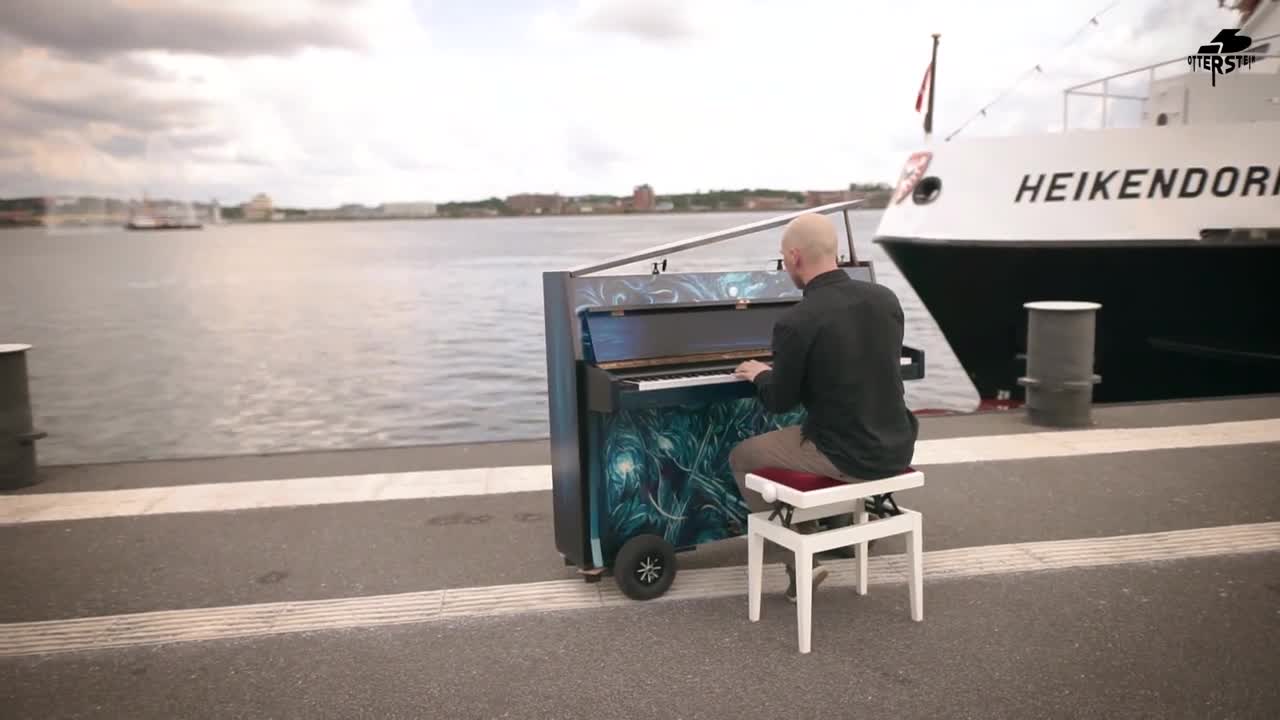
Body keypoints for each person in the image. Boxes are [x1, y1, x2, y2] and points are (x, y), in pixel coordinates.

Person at [729, 212, 919, 600]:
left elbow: (780, 402)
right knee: (811, 428)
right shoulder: (884, 299)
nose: (785, 266)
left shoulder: (798, 320)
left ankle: (800, 561)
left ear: (796, 257)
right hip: (897, 443)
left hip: (844, 455)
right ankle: (817, 526)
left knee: (741, 455)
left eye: (784, 257)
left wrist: (759, 374)